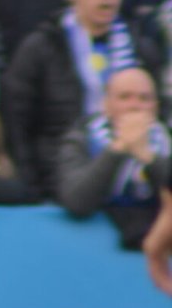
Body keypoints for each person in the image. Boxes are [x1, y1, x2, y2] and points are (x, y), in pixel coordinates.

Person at [3, 0, 163, 197]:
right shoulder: (42, 47)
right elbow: (17, 122)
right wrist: (33, 187)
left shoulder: (141, 48)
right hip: (62, 182)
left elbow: (160, 113)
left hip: (136, 183)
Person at [57, 66, 171, 247]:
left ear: (155, 106)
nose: (135, 105)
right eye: (125, 97)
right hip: (91, 245)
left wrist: (148, 157)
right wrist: (118, 148)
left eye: (144, 98)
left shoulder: (167, 140)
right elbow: (76, 201)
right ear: (106, 104)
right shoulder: (82, 138)